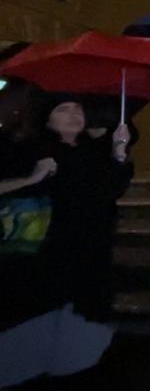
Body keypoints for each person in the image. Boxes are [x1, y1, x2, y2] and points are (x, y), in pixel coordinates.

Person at [28, 95, 133, 319]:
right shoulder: (38, 152)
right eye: (63, 109)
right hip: (56, 247)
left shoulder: (94, 149)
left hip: (96, 244)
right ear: (47, 121)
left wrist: (118, 152)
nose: (73, 114)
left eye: (77, 108)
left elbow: (112, 189)